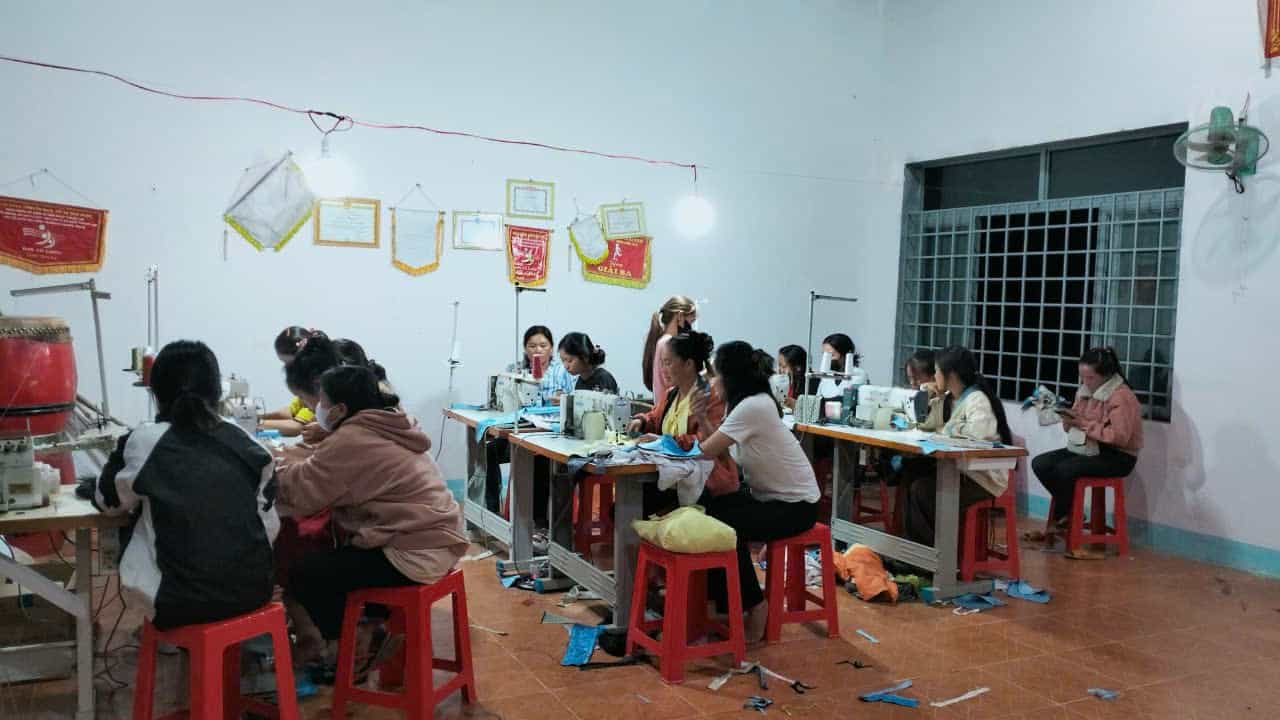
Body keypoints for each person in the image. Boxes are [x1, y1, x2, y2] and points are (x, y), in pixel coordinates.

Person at [276, 365, 468, 653]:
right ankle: (372, 626)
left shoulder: (353, 438)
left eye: (322, 402)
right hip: (438, 535)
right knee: (340, 554)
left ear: (340, 408)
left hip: (413, 551)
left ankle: (352, 642)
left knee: (304, 571)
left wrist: (272, 464)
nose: (318, 408)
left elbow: (304, 492)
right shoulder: (389, 421)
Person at [95, 341, 278, 629]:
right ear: (217, 390)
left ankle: (183, 646)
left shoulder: (144, 440)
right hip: (252, 594)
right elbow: (268, 527)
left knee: (140, 521)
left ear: (156, 393)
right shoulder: (251, 446)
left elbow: (110, 504)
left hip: (176, 603)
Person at [698, 341, 820, 642]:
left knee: (721, 524)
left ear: (730, 376)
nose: (713, 381)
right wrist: (701, 418)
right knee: (710, 508)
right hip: (772, 498)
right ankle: (729, 605)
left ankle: (756, 606)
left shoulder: (753, 406)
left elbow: (707, 450)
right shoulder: (750, 403)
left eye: (716, 374)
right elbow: (719, 450)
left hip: (796, 505)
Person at [1030, 347, 1142, 554]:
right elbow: (1073, 425)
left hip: (1117, 455)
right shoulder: (1084, 392)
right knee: (1040, 463)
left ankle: (1066, 514)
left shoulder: (1121, 396)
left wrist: (1083, 423)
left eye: (1090, 378)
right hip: (1086, 447)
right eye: (1082, 377)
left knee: (1066, 469)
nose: (1085, 382)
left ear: (1105, 376)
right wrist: (1065, 417)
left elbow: (1120, 437)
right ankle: (1071, 512)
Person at [903, 346, 1013, 547]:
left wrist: (953, 427)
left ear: (950, 374)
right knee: (909, 475)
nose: (934, 377)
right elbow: (929, 426)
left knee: (922, 491)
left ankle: (936, 556)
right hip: (961, 471)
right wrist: (933, 400)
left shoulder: (976, 399)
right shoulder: (952, 398)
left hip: (982, 479)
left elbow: (979, 435)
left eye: (936, 372)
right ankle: (916, 550)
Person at [628, 331, 738, 507]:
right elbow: (655, 417)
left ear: (688, 364)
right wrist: (641, 421)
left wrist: (665, 441)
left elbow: (708, 441)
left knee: (633, 504)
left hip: (706, 481)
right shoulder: (672, 393)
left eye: (668, 363)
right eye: (662, 364)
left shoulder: (710, 396)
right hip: (676, 476)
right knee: (627, 502)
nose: (663, 370)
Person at [259, 326, 319, 436]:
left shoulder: (316, 387)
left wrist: (253, 424)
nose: (287, 370)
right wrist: (257, 417)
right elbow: (291, 412)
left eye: (288, 364)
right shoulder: (306, 387)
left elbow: (297, 427)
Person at [641, 296, 697, 403]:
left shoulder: (661, 342)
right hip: (670, 412)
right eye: (691, 322)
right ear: (680, 316)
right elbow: (678, 383)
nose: (691, 328)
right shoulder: (670, 343)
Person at [509, 325, 575, 401]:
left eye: (543, 346)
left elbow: (576, 398)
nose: (538, 350)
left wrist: (564, 400)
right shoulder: (515, 370)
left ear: (551, 348)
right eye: (532, 346)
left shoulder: (564, 371)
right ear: (525, 348)